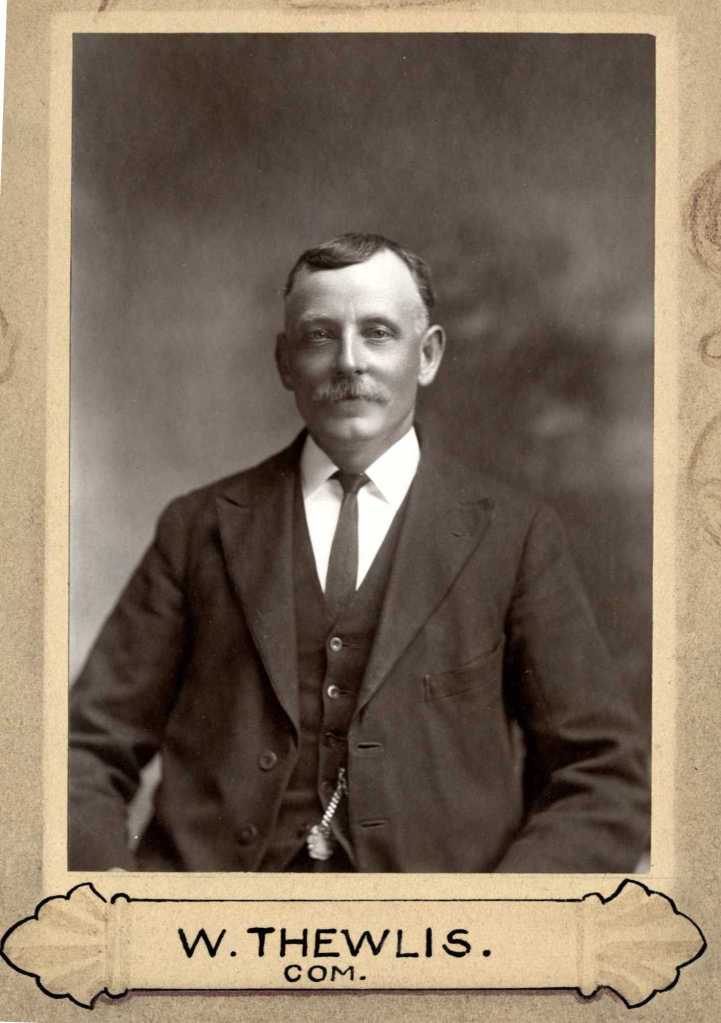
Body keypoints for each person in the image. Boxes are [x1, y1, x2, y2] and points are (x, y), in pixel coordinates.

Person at [68, 232, 649, 873]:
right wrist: (116, 902)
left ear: (426, 356)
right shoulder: (198, 528)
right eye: (320, 336)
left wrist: (498, 924)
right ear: (285, 361)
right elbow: (85, 747)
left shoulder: (514, 536)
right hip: (211, 938)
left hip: (434, 950)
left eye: (378, 333)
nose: (349, 362)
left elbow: (602, 777)